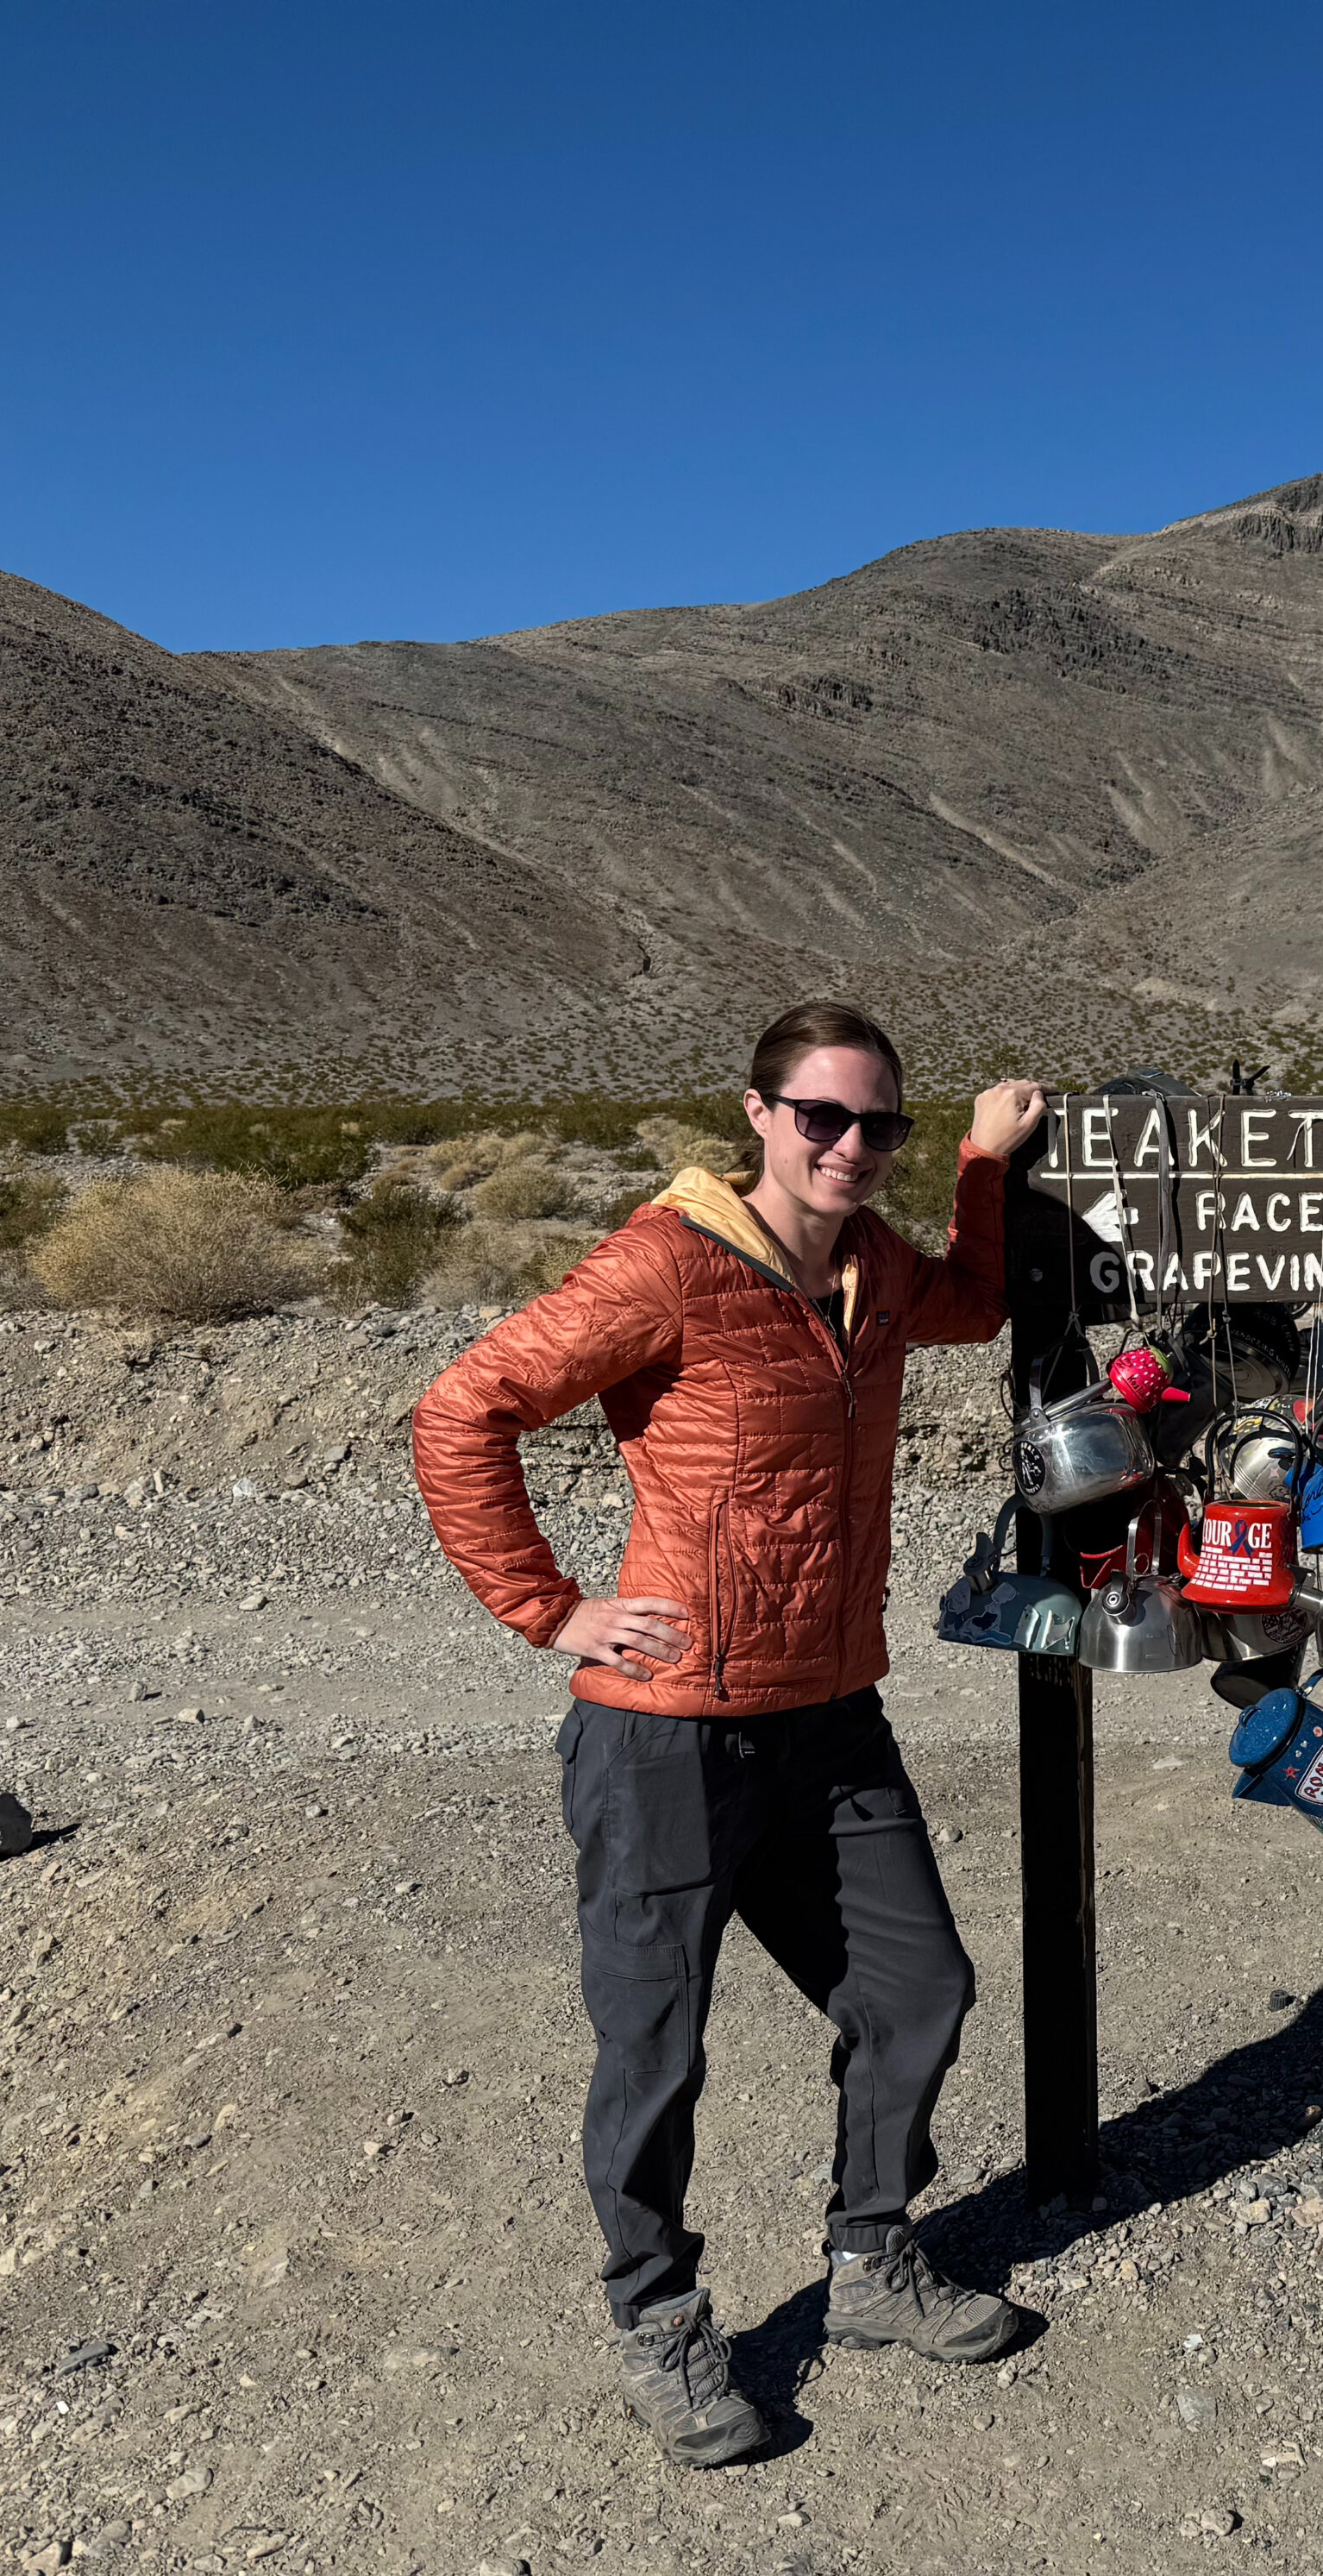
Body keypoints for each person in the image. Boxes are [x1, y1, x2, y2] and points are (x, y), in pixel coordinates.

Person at [412, 1002, 1050, 2468]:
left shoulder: (878, 1269)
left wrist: (977, 1169)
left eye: (876, 1124)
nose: (847, 1146)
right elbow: (462, 1412)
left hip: (831, 1718)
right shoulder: (668, 1266)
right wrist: (548, 1607)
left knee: (919, 1992)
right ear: (757, 1114)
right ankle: (659, 2316)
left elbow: (973, 1306)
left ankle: (873, 2256)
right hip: (667, 1735)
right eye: (821, 1116)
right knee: (657, 2049)